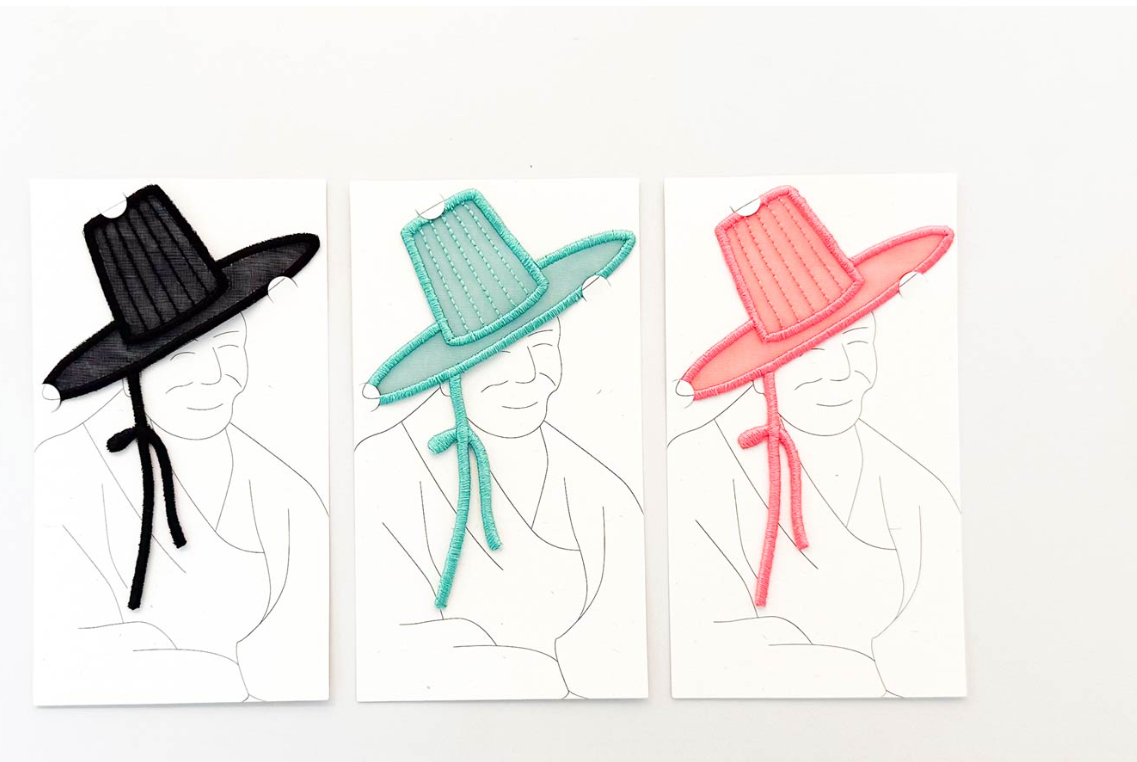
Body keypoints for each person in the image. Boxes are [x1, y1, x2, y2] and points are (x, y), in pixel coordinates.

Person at [34, 184, 324, 704]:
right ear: (133, 373)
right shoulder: (63, 474)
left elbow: (307, 635)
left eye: (228, 346)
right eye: (180, 359)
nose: (214, 376)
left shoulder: (285, 491)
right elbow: (74, 650)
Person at [670, 185, 963, 697]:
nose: (844, 373)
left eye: (858, 342)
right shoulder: (696, 465)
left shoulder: (916, 488)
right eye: (811, 354)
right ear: (762, 372)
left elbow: (937, 632)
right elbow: (706, 638)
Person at [355, 189, 644, 699]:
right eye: (499, 357)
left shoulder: (601, 489)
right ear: (447, 374)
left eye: (543, 345)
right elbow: (388, 641)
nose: (531, 375)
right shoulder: (382, 468)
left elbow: (622, 638)